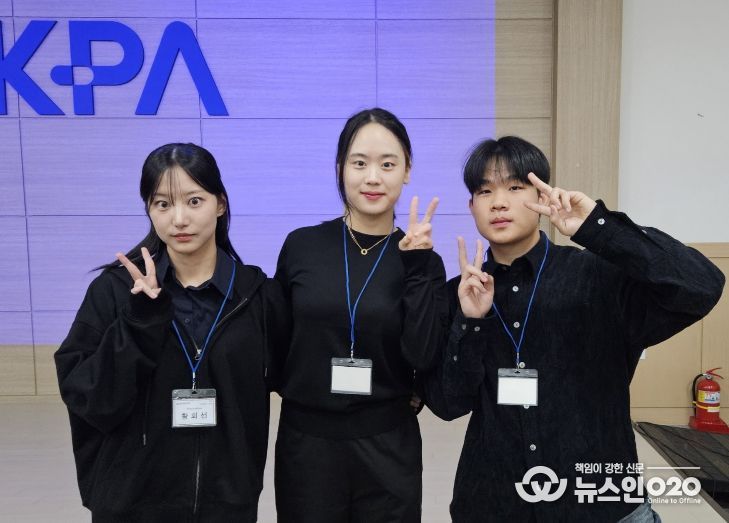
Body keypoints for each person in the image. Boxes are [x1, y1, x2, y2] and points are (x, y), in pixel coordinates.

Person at [424, 136, 725, 522]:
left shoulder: (597, 275)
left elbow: (702, 286)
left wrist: (598, 226)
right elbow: (449, 404)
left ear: (541, 195)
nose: (498, 202)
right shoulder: (461, 294)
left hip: (601, 504)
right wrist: (471, 323)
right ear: (471, 206)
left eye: (514, 187)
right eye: (485, 191)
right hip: (496, 503)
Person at [55, 143, 288, 522]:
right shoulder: (116, 291)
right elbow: (89, 399)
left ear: (220, 204)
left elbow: (298, 377)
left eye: (194, 201)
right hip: (133, 505)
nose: (179, 219)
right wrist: (139, 321)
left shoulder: (256, 296)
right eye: (162, 204)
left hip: (226, 505)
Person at [273, 108, 448, 522]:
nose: (373, 178)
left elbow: (423, 354)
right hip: (308, 443)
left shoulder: (423, 261)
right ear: (340, 168)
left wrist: (417, 266)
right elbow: (277, 342)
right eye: (359, 163)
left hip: (387, 443)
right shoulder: (302, 246)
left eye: (387, 164)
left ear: (407, 170)